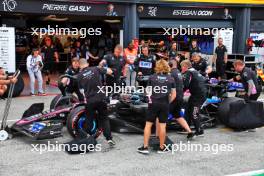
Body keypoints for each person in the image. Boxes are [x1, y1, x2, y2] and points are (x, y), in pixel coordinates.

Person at [137, 59, 176, 154]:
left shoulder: (152, 77)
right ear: (167, 66)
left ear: (157, 66)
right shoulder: (171, 78)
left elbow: (147, 92)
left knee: (148, 125)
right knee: (163, 126)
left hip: (153, 104)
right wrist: (168, 102)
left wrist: (150, 100)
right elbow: (174, 95)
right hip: (164, 104)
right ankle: (162, 148)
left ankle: (145, 147)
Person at [77, 58, 115, 146]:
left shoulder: (79, 76)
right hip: (101, 98)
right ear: (87, 63)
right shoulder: (96, 68)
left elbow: (81, 90)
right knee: (104, 118)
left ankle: (87, 139)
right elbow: (109, 71)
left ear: (80, 65)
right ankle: (109, 138)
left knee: (89, 119)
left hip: (90, 100)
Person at [169, 59, 194, 139]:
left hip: (174, 97)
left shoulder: (171, 74)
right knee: (178, 115)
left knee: (161, 115)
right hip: (180, 97)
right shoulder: (179, 73)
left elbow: (170, 88)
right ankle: (190, 132)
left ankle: (159, 135)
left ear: (170, 65)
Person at [181, 60, 207, 137]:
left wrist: (180, 92)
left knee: (194, 113)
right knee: (188, 108)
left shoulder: (189, 72)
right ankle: (187, 128)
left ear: (185, 66)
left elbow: (185, 85)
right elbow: (203, 79)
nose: (181, 68)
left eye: (182, 66)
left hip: (199, 96)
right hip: (197, 94)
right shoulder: (195, 71)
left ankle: (200, 131)